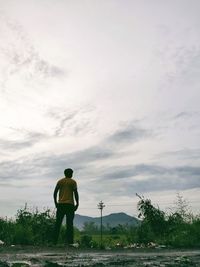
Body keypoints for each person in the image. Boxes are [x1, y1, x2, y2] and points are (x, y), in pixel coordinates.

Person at [53, 168, 79, 245]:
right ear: (70, 174)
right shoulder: (73, 182)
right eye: (72, 173)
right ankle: (69, 242)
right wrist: (77, 203)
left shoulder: (60, 181)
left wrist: (56, 203)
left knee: (58, 223)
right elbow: (75, 193)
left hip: (60, 205)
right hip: (70, 205)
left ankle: (54, 242)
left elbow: (54, 193)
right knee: (69, 224)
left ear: (64, 174)